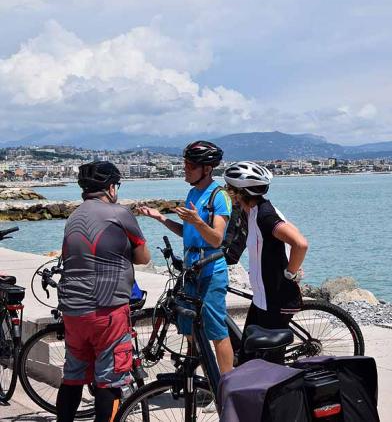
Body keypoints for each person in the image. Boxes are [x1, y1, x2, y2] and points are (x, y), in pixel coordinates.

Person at [56, 161, 151, 422]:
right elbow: (143, 257)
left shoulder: (73, 217)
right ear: (110, 188)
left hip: (73, 310)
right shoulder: (120, 213)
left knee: (73, 377)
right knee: (109, 381)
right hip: (107, 308)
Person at [138, 140, 234, 373]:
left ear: (207, 169)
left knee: (216, 330)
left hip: (211, 270)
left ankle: (228, 387)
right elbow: (188, 233)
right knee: (190, 328)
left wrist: (198, 221)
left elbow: (216, 239)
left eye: (190, 165)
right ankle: (197, 378)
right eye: (185, 164)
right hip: (191, 268)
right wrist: (161, 219)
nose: (185, 169)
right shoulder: (193, 192)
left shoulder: (219, 196)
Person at [223, 161, 308, 363]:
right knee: (247, 355)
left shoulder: (264, 215)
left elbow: (301, 243)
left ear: (239, 193)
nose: (226, 192)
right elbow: (291, 229)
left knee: (269, 364)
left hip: (277, 299)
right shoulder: (252, 212)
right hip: (262, 299)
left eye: (229, 188)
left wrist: (291, 273)